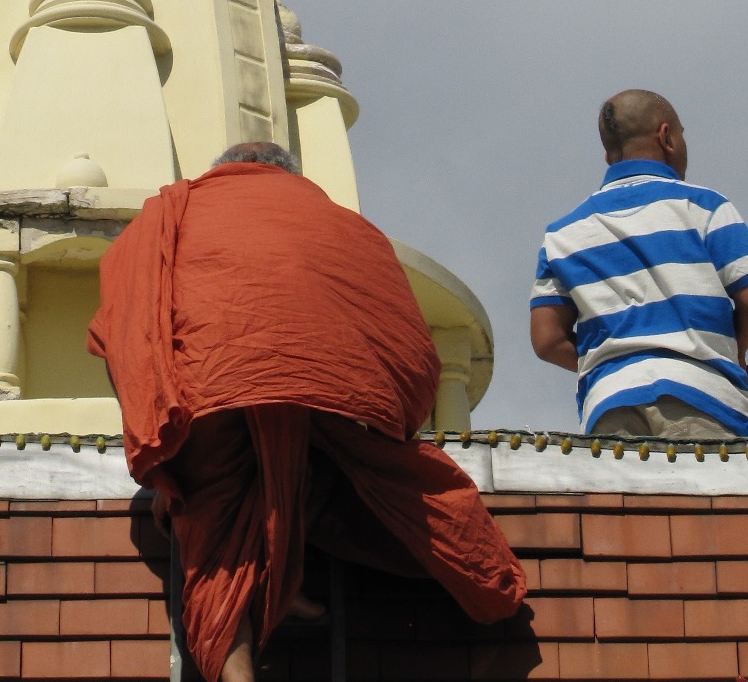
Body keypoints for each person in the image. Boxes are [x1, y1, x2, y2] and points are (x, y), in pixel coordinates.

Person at [87, 142, 525, 682]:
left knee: (213, 524)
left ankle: (250, 636)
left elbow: (123, 334)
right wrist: (387, 417)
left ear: (222, 172)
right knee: (323, 458)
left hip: (216, 388)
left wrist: (165, 460)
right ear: (291, 177)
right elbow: (413, 355)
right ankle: (282, 566)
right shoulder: (349, 229)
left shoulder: (173, 214)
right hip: (329, 392)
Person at [530, 89, 748, 441]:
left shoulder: (562, 234)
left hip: (609, 407)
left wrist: (610, 365)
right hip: (703, 398)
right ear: (667, 138)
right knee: (705, 495)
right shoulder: (707, 207)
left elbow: (547, 340)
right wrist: (728, 350)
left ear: (608, 155)